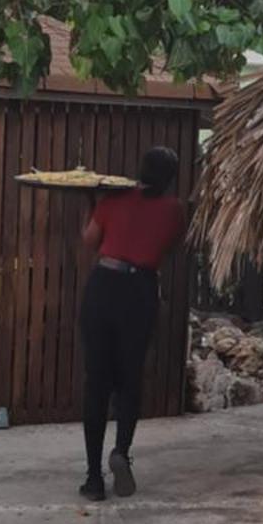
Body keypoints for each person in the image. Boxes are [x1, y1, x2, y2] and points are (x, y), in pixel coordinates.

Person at [78, 145, 186, 501]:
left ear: (140, 168)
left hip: (105, 285)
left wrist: (95, 205)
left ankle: (94, 479)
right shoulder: (175, 212)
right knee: (130, 380)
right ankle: (121, 452)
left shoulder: (113, 199)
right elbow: (165, 249)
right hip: (140, 291)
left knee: (97, 382)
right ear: (171, 178)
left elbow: (90, 241)